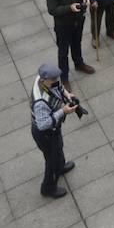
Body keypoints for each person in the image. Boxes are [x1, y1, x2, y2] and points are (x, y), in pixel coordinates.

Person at [29, 64, 78, 198]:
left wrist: (67, 95)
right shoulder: (40, 102)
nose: (57, 80)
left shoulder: (46, 79)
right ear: (45, 80)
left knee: (58, 147)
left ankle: (60, 166)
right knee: (51, 159)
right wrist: (63, 111)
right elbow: (43, 124)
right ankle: (48, 188)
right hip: (45, 134)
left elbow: (59, 88)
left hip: (54, 129)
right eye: (53, 79)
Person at [45, 0, 95, 81]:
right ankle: (64, 78)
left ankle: (79, 64)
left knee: (77, 44)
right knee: (63, 52)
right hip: (63, 25)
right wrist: (69, 8)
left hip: (78, 21)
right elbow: (52, 10)